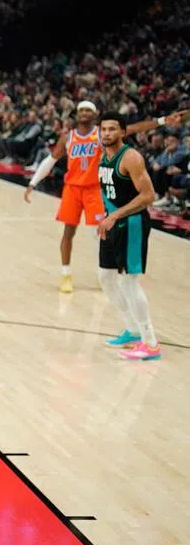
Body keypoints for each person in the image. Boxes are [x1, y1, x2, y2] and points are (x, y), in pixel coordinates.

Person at [24, 102, 183, 293]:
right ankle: (65, 274)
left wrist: (163, 120)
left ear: (94, 114)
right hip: (72, 189)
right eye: (81, 110)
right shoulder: (68, 137)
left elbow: (134, 128)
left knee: (101, 233)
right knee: (68, 232)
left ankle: (104, 273)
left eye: (88, 110)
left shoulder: (102, 134)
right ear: (76, 113)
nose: (84, 113)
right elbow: (51, 160)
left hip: (95, 189)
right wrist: (33, 183)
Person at [95, 114, 161, 361]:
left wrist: (116, 216)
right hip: (111, 221)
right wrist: (105, 217)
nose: (107, 133)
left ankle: (150, 343)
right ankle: (132, 330)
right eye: (104, 129)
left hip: (131, 223)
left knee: (128, 282)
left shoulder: (130, 157)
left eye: (112, 129)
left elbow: (148, 195)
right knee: (105, 277)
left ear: (123, 131)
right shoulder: (104, 156)